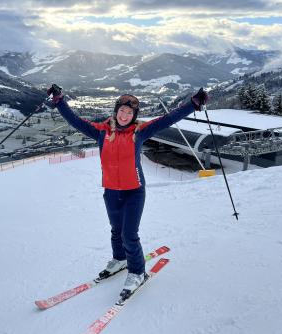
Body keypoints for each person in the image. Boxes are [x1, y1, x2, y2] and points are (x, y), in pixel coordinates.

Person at [47, 84, 208, 299]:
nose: (125, 115)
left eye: (129, 112)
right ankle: (120, 259)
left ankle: (137, 272)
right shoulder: (101, 132)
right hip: (111, 191)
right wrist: (60, 101)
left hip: (134, 191)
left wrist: (193, 104)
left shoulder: (139, 132)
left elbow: (167, 119)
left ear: (134, 116)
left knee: (129, 234)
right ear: (116, 111)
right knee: (115, 230)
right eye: (122, 111)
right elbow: (75, 121)